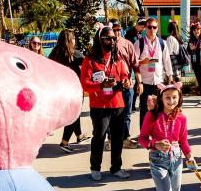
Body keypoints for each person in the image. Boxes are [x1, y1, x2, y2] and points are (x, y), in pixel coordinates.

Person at [138, 83, 197, 191]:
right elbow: (142, 139)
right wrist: (154, 144)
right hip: (158, 160)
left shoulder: (182, 118)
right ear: (161, 99)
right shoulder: (152, 115)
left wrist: (190, 157)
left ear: (179, 99)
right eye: (167, 98)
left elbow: (184, 141)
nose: (171, 101)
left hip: (177, 159)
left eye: (174, 98)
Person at [80, 26, 134, 181]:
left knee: (118, 138)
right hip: (99, 106)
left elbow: (125, 76)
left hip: (117, 104)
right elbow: (84, 84)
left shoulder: (118, 59)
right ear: (100, 40)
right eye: (108, 38)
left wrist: (125, 82)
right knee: (99, 136)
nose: (112, 41)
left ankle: (116, 167)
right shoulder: (89, 60)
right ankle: (95, 168)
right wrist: (101, 85)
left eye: (114, 38)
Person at [49, 29, 90, 153]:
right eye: (73, 38)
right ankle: (64, 141)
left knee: (73, 113)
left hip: (60, 89)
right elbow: (88, 64)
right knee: (74, 114)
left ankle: (80, 135)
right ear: (70, 40)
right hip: (74, 88)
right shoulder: (75, 54)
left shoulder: (53, 53)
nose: (75, 40)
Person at [135, 17, 175, 127]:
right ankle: (144, 135)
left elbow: (167, 61)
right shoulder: (139, 43)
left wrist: (170, 76)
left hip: (159, 81)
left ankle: (157, 133)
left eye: (154, 27)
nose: (152, 29)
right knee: (145, 109)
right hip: (145, 82)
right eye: (149, 27)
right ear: (145, 28)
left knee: (159, 109)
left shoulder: (162, 43)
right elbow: (134, 63)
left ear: (157, 29)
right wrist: (143, 61)